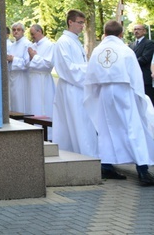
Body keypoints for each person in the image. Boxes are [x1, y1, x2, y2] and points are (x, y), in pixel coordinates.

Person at [84, 20, 154, 185]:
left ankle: (106, 165)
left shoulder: (98, 50)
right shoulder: (125, 50)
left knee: (107, 128)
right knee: (132, 128)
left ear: (105, 33)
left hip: (104, 93)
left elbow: (90, 75)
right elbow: (135, 76)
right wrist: (140, 97)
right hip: (124, 91)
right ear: (121, 34)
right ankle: (143, 171)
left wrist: (95, 94)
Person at [52, 10, 97, 157]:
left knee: (83, 123)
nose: (82, 26)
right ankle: (82, 156)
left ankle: (86, 155)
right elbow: (67, 68)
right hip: (71, 88)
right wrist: (90, 69)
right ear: (70, 22)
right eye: (80, 22)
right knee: (77, 124)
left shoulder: (75, 41)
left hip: (79, 88)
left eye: (83, 23)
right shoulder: (63, 42)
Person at [25, 24, 56, 118]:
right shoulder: (32, 45)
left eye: (33, 34)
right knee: (32, 104)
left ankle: (46, 129)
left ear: (39, 31)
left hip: (43, 79)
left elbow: (48, 64)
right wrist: (31, 57)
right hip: (32, 80)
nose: (32, 36)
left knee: (43, 105)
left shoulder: (49, 45)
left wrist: (34, 57)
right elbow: (27, 63)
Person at [7, 22, 30, 113]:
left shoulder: (26, 44)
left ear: (23, 31)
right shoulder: (12, 45)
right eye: (14, 30)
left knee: (21, 102)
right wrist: (9, 60)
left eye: (18, 30)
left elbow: (27, 63)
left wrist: (13, 59)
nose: (16, 32)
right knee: (13, 102)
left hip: (22, 78)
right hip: (13, 77)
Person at [130, 24, 154, 105]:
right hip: (134, 78)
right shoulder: (131, 45)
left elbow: (145, 58)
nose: (136, 31)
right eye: (135, 29)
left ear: (144, 31)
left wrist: (130, 63)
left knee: (148, 102)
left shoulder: (149, 43)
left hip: (145, 77)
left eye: (139, 29)